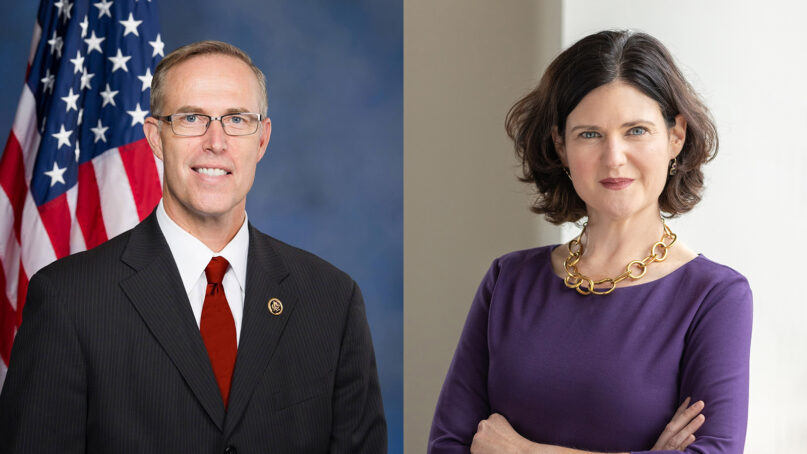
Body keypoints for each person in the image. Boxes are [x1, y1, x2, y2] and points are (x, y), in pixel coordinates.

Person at [0, 40, 387, 453]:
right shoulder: (69, 299)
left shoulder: (331, 300)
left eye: (236, 119)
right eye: (191, 118)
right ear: (154, 137)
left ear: (262, 139)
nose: (215, 142)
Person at [428, 30, 752, 454]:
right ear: (560, 146)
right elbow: (449, 446)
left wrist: (524, 451)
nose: (614, 157)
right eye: (589, 134)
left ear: (676, 137)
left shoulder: (714, 297)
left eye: (636, 130)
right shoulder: (507, 280)